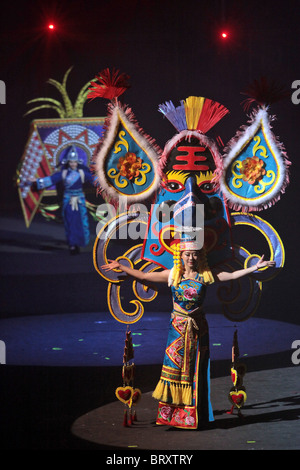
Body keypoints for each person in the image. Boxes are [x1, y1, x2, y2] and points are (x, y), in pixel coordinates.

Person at [101, 237, 275, 429]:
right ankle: (172, 414)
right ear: (180, 256)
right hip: (177, 328)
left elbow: (232, 275)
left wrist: (254, 268)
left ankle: (192, 414)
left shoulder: (206, 275)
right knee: (174, 370)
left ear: (200, 256)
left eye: (195, 254)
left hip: (198, 329)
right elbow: (143, 276)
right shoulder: (173, 275)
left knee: (195, 371)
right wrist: (122, 267)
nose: (191, 257)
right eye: (187, 254)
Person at [30, 146, 95, 254]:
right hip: (68, 200)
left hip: (79, 201)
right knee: (70, 222)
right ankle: (72, 244)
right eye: (71, 162)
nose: (73, 164)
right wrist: (36, 181)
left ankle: (80, 242)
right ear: (68, 162)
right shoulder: (64, 174)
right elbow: (51, 180)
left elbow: (95, 180)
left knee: (80, 222)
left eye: (74, 162)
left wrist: (107, 180)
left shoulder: (82, 173)